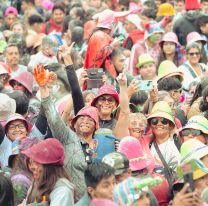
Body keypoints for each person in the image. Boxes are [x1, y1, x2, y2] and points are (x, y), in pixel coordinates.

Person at [21, 138, 74, 205]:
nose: (32, 167)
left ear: (49, 167)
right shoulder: (36, 184)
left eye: (37, 162)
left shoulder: (62, 191)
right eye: (30, 162)